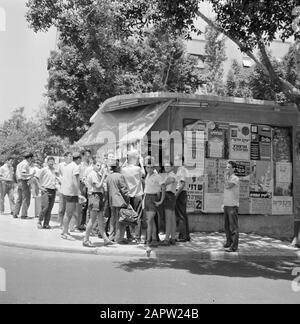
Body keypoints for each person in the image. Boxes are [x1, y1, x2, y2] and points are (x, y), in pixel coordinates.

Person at [83, 160, 113, 247]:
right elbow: (98, 186)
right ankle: (86, 239)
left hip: (98, 196)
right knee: (92, 219)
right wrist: (103, 176)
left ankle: (105, 239)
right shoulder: (93, 174)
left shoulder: (96, 174)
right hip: (94, 196)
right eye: (98, 165)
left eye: (100, 166)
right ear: (93, 165)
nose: (99, 167)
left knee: (100, 219)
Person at [121, 150, 145, 242]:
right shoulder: (137, 169)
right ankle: (137, 237)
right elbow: (143, 174)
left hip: (128, 195)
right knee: (138, 215)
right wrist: (141, 163)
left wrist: (127, 160)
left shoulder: (124, 170)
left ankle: (129, 235)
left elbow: (122, 168)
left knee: (128, 215)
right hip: (137, 194)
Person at [106, 158, 130, 244]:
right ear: (117, 167)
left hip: (111, 201)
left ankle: (111, 236)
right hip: (120, 201)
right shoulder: (120, 176)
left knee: (113, 219)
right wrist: (128, 200)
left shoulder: (108, 177)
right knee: (121, 220)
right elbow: (124, 190)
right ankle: (119, 238)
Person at [155, 161, 178, 246]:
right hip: (170, 196)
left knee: (168, 219)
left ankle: (167, 239)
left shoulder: (171, 175)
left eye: (168, 166)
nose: (166, 167)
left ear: (172, 167)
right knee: (172, 219)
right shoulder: (168, 175)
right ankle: (172, 238)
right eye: (165, 166)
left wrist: (163, 183)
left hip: (169, 196)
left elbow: (171, 181)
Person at [60, 152, 82, 241]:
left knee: (67, 213)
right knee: (68, 213)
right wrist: (79, 193)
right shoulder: (75, 167)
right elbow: (75, 180)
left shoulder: (67, 166)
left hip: (65, 191)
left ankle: (65, 231)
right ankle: (65, 233)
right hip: (71, 192)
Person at [37, 157, 60, 229]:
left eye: (52, 161)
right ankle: (39, 221)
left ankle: (46, 224)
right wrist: (40, 187)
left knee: (50, 208)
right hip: (45, 190)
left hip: (53, 190)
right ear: (47, 162)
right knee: (45, 207)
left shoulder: (55, 171)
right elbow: (36, 178)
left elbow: (57, 179)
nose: (51, 163)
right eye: (50, 161)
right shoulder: (44, 170)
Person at [143, 156, 162, 248]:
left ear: (153, 167)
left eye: (151, 167)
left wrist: (161, 200)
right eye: (147, 167)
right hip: (146, 198)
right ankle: (154, 239)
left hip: (153, 198)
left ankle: (148, 241)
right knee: (151, 221)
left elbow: (163, 187)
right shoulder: (147, 175)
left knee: (149, 220)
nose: (149, 169)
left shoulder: (157, 176)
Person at [222, 161, 240, 253]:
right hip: (226, 205)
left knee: (233, 227)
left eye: (229, 167)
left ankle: (234, 246)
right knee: (226, 226)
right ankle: (229, 242)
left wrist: (225, 178)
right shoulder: (228, 178)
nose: (227, 169)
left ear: (233, 169)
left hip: (233, 206)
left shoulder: (235, 178)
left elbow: (228, 186)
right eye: (226, 167)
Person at [14, 153, 35, 219]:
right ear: (30, 158)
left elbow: (17, 174)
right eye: (32, 158)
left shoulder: (19, 164)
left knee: (19, 198)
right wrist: (31, 174)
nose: (32, 160)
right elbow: (23, 174)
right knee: (26, 198)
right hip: (24, 182)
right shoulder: (25, 164)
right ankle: (24, 215)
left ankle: (15, 213)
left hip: (19, 181)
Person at [175, 156, 191, 242]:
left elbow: (182, 184)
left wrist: (176, 195)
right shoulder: (182, 169)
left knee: (180, 215)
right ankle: (186, 235)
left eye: (177, 159)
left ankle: (183, 236)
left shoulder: (181, 169)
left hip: (180, 193)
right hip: (182, 193)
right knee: (183, 215)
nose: (175, 161)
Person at [78, 150, 93, 231]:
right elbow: (80, 177)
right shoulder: (81, 165)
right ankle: (81, 223)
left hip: (91, 186)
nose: (88, 157)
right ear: (83, 156)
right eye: (87, 155)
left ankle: (88, 224)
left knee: (90, 206)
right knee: (84, 205)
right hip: (84, 186)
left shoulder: (91, 164)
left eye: (89, 155)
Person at [58, 152, 73, 227]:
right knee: (62, 208)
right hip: (62, 188)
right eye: (69, 156)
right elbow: (57, 175)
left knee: (69, 208)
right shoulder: (61, 165)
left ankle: (67, 225)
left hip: (70, 189)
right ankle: (61, 223)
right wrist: (61, 181)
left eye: (71, 156)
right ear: (65, 157)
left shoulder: (73, 165)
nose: (71, 158)